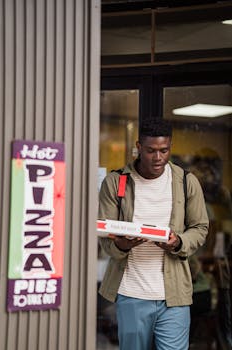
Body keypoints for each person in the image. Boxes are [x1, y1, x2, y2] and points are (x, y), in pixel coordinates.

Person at [98, 119, 209, 350]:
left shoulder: (187, 182)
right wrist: (124, 244)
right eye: (150, 151)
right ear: (139, 146)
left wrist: (178, 242)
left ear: (170, 146)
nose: (158, 157)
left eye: (164, 150)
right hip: (131, 293)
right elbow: (105, 238)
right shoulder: (115, 182)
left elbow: (200, 228)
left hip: (175, 296)